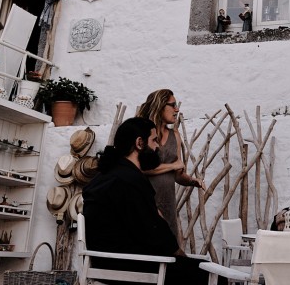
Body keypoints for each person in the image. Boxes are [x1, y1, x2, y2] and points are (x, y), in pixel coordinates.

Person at [82, 117, 221, 284]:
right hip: (127, 264)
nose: (158, 146)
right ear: (139, 143)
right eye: (154, 140)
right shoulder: (130, 179)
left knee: (198, 268)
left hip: (106, 262)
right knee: (213, 276)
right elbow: (154, 231)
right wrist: (179, 254)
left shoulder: (106, 176)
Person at [136, 89, 204, 241]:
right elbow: (137, 168)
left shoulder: (175, 136)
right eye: (172, 105)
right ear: (160, 106)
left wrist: (192, 181)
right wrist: (172, 166)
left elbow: (178, 175)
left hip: (168, 206)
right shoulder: (142, 134)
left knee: (168, 246)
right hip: (146, 204)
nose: (177, 109)